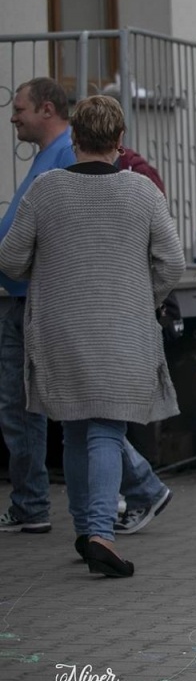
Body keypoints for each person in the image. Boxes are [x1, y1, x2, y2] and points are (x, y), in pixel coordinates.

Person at [0, 95, 184, 577]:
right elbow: (172, 262)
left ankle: (85, 529)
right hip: (123, 330)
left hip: (59, 329)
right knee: (106, 427)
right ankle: (101, 532)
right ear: (120, 142)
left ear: (74, 138)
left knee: (77, 426)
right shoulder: (142, 193)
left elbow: (11, 259)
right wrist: (146, 296)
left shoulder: (45, 190)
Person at [0, 77, 78, 534]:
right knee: (23, 404)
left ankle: (142, 486)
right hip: (20, 296)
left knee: (40, 403)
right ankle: (30, 505)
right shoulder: (50, 156)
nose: (13, 118)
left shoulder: (66, 154)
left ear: (46, 109)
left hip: (35, 299)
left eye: (20, 109)